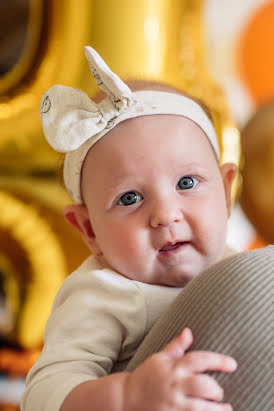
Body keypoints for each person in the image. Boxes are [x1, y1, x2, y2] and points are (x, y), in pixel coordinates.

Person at [21, 46, 238, 411]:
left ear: (226, 191)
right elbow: (41, 395)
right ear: (89, 229)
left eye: (186, 183)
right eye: (129, 198)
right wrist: (128, 396)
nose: (165, 215)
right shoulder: (107, 294)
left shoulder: (237, 266)